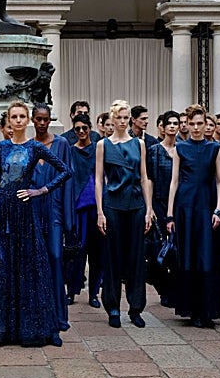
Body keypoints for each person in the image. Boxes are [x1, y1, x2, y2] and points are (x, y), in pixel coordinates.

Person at [0, 101, 70, 347]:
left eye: (22, 116)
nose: (18, 120)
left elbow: (65, 171)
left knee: (29, 265)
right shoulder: (2, 147)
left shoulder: (35, 147)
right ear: (9, 120)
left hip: (24, 212)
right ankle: (3, 328)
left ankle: (33, 327)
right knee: (2, 265)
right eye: (14, 117)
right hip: (2, 210)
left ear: (27, 120)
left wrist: (40, 190)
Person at [94, 100, 154, 329]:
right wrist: (100, 211)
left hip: (136, 204)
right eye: (118, 117)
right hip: (112, 204)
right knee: (112, 258)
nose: (122, 121)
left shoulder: (140, 144)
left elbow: (144, 177)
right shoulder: (103, 145)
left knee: (136, 258)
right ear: (112, 118)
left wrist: (149, 209)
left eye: (125, 117)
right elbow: (98, 180)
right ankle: (113, 308)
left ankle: (136, 308)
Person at [167, 104, 220, 329]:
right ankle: (192, 311)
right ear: (187, 125)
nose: (196, 127)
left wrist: (218, 209)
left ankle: (207, 310)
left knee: (207, 256)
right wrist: (169, 214)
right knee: (188, 256)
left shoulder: (215, 148)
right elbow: (174, 182)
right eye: (192, 123)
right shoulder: (180, 148)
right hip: (185, 207)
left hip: (206, 205)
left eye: (200, 123)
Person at [32, 103, 73, 330]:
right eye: (38, 119)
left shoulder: (62, 144)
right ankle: (38, 314)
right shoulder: (29, 146)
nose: (41, 123)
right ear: (32, 119)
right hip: (32, 210)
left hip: (54, 209)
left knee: (56, 257)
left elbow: (68, 180)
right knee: (35, 262)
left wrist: (68, 220)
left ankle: (59, 316)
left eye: (45, 119)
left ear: (50, 120)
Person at [63, 112, 103, 308]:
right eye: (77, 128)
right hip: (78, 209)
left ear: (90, 129)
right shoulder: (70, 151)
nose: (80, 131)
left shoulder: (98, 149)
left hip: (97, 208)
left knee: (97, 255)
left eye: (84, 128)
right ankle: (71, 292)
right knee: (76, 254)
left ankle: (94, 294)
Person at [146, 111, 180, 308]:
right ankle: (163, 289)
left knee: (176, 249)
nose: (173, 126)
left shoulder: (183, 148)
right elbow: (149, 180)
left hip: (178, 204)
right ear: (163, 127)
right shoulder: (154, 150)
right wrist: (149, 207)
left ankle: (175, 290)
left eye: (176, 123)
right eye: (170, 123)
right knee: (156, 249)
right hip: (158, 202)